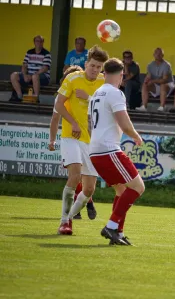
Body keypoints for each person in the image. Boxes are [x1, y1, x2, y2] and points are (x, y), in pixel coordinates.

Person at [88, 58, 145, 245]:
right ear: (121, 75)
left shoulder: (95, 93)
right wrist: (136, 136)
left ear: (104, 73)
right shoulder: (115, 93)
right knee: (138, 187)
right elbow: (124, 123)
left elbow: (90, 126)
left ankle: (117, 233)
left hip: (95, 151)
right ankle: (111, 227)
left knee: (121, 191)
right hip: (108, 150)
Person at [53, 45, 109, 235]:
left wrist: (89, 97)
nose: (95, 70)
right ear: (86, 64)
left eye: (98, 67)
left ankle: (69, 218)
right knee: (75, 175)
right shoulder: (73, 78)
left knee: (89, 189)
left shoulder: (104, 82)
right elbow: (59, 105)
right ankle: (64, 222)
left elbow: (109, 107)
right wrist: (73, 123)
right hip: (71, 136)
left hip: (92, 142)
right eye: (92, 65)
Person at [49, 65, 97, 221]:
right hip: (70, 138)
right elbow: (55, 118)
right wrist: (53, 139)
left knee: (87, 185)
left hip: (88, 141)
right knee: (75, 175)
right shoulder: (62, 98)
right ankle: (67, 218)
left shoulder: (87, 95)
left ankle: (87, 201)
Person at [9, 35, 52, 102]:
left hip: (42, 77)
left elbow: (45, 68)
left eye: (41, 41)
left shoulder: (46, 54)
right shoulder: (29, 52)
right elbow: (24, 66)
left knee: (35, 76)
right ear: (34, 42)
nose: (39, 43)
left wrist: (32, 76)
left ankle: (36, 98)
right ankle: (19, 96)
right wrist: (24, 75)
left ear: (43, 42)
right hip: (29, 75)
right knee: (13, 75)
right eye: (37, 41)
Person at [136, 47, 175, 112]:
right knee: (145, 85)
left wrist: (153, 81)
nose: (158, 55)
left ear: (163, 55)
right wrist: (146, 81)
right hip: (156, 85)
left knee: (163, 85)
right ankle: (144, 106)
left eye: (160, 54)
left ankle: (162, 106)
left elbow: (164, 80)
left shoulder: (166, 65)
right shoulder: (150, 65)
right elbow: (148, 76)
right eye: (156, 53)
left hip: (168, 85)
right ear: (154, 55)